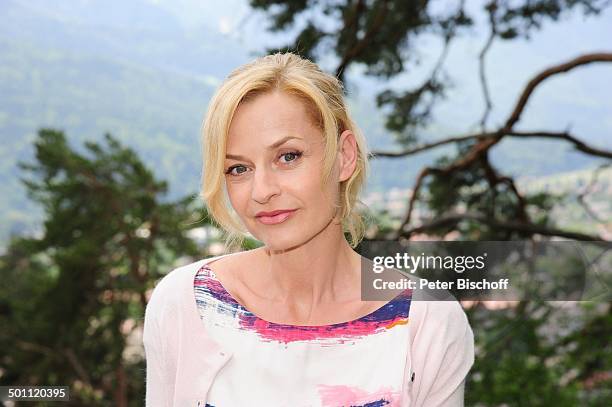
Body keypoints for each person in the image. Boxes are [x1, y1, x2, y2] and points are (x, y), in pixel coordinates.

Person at [143, 52, 474, 407]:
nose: (262, 191)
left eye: (288, 157)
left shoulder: (427, 322)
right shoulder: (185, 304)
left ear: (344, 157)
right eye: (238, 169)